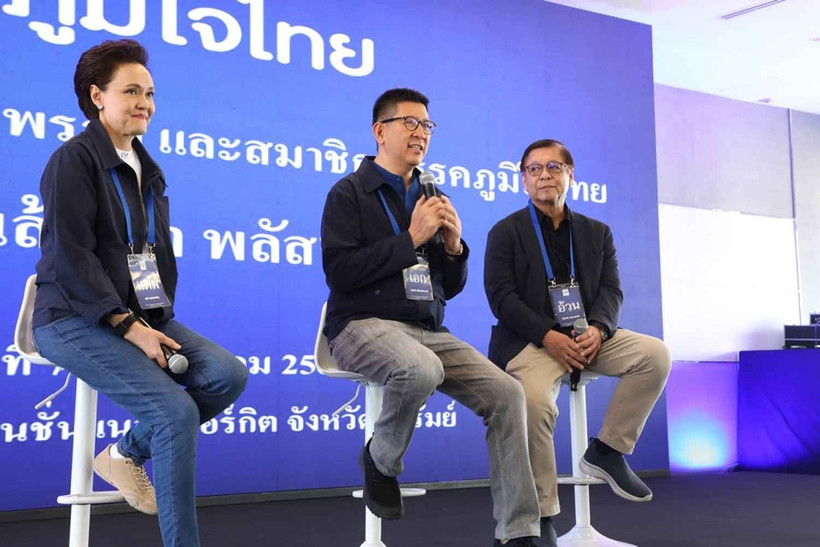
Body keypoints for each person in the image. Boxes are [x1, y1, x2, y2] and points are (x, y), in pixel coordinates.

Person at [32, 39, 248, 547]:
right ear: (96, 96)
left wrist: (152, 319)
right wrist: (129, 327)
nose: (145, 102)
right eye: (131, 90)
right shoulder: (73, 160)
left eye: (149, 92)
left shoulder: (147, 169)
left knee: (226, 375)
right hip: (69, 317)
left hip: (139, 312)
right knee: (173, 412)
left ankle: (125, 453)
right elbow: (71, 258)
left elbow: (154, 255)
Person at [321, 88, 546, 546]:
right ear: (379, 130)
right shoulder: (348, 193)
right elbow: (340, 272)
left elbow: (448, 285)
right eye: (410, 122)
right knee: (419, 369)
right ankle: (380, 462)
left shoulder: (430, 194)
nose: (421, 133)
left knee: (508, 393)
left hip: (426, 328)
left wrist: (452, 248)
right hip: (359, 325)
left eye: (427, 125)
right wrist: (411, 238)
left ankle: (519, 531)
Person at [484, 139, 671, 542]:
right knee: (531, 402)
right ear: (523, 181)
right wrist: (547, 334)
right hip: (531, 342)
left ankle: (607, 450)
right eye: (534, 169)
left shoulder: (596, 232)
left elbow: (611, 291)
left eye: (554, 167)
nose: (544, 176)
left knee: (654, 354)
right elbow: (501, 298)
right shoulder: (505, 232)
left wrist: (599, 329)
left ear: (571, 175)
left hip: (589, 336)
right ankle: (541, 515)